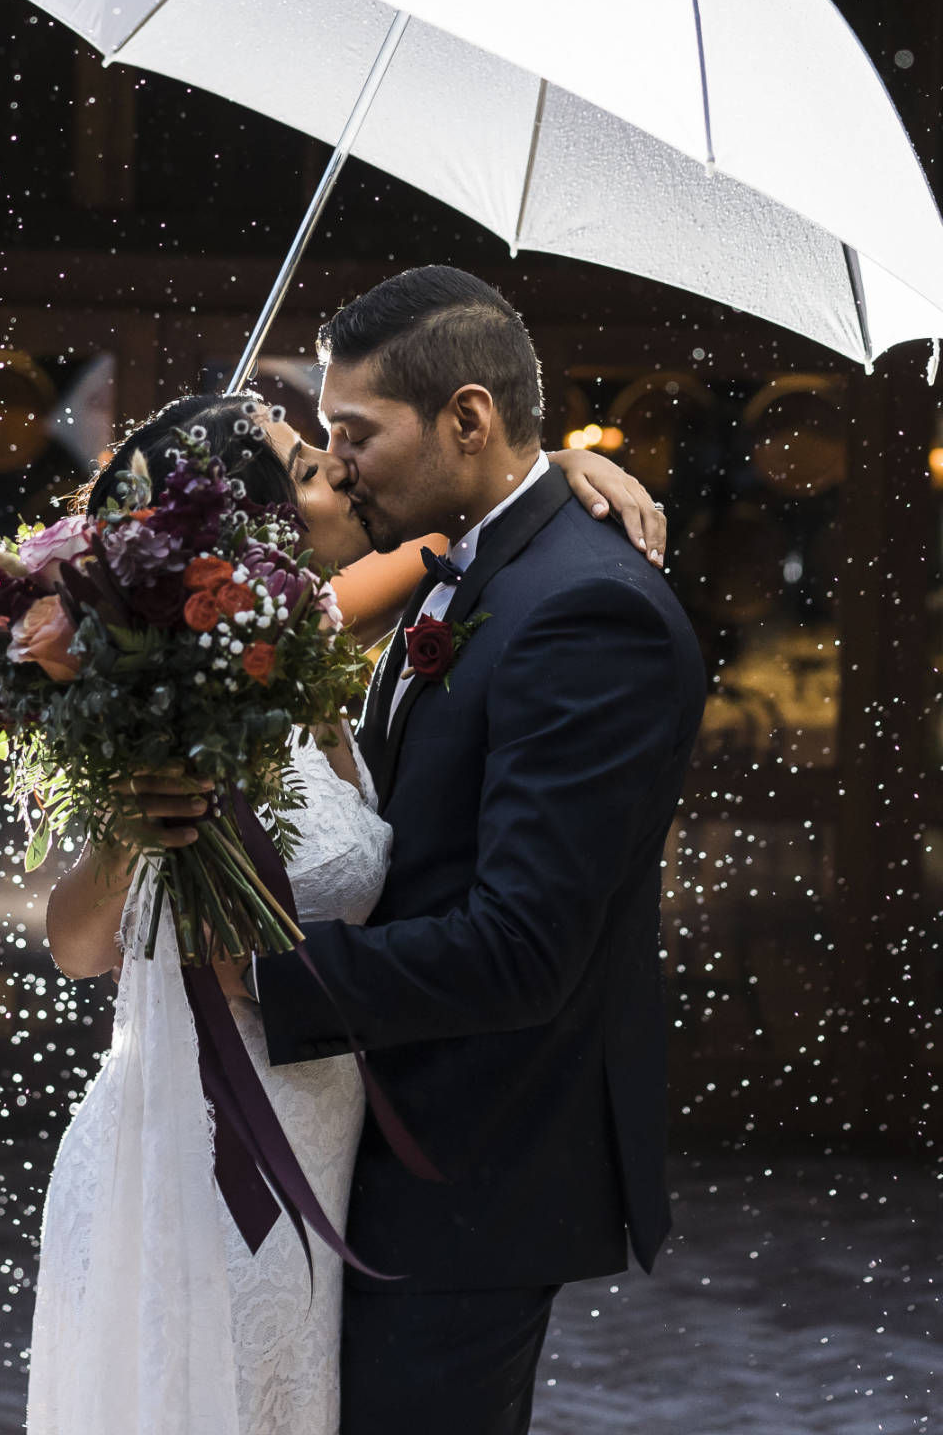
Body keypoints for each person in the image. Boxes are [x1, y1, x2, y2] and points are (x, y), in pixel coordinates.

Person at [28, 379, 665, 1435]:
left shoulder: (305, 655)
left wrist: (548, 472)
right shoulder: (183, 708)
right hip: (203, 1164)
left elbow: (464, 538)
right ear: (250, 529)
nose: (344, 470)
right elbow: (77, 945)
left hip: (325, 1156)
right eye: (314, 467)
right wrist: (133, 825)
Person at [203, 266, 707, 1435]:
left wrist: (261, 980)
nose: (338, 464)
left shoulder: (588, 609)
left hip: (470, 1166)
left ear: (468, 418)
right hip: (372, 1143)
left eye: (356, 433)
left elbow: (523, 946)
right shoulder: (475, 559)